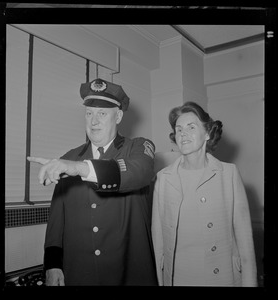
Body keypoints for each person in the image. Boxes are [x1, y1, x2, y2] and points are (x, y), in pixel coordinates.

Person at [27, 78, 158, 286]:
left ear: (119, 116)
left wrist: (80, 168)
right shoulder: (70, 156)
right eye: (89, 114)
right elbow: (57, 217)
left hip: (129, 271)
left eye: (102, 114)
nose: (93, 121)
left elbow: (140, 171)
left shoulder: (138, 147)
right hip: (80, 272)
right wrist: (52, 263)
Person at [151, 101, 257, 287]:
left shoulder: (229, 174)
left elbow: (245, 242)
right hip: (178, 278)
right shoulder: (163, 179)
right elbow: (158, 240)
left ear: (207, 133)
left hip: (221, 277)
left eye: (191, 127)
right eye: (179, 129)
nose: (183, 134)